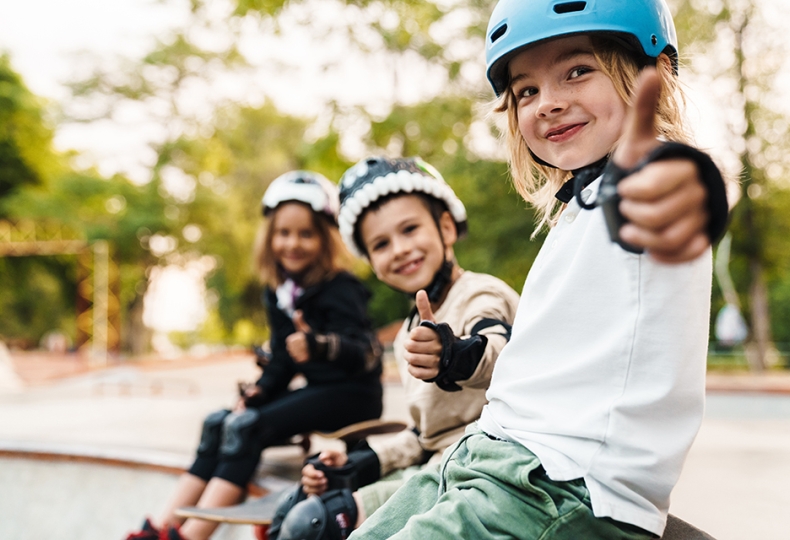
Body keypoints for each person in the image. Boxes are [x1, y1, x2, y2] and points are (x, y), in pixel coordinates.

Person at [348, 0, 729, 538]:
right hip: (486, 459)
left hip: (562, 484)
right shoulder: (576, 211)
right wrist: (457, 355)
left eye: (577, 71)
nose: (548, 103)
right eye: (526, 90)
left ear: (651, 76)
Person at [268, 157, 520, 540]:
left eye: (410, 229)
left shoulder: (480, 294)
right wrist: (358, 461)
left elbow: (498, 351)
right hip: (437, 463)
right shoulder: (410, 330)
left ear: (447, 228)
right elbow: (425, 435)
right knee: (303, 504)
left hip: (485, 467)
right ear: (372, 261)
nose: (399, 249)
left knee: (315, 524)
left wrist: (454, 354)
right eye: (381, 244)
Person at [125, 171, 384, 540]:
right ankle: (161, 529)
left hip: (353, 396)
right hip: (320, 393)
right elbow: (282, 360)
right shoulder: (279, 292)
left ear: (325, 239)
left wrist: (320, 346)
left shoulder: (341, 287)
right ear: (270, 237)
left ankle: (192, 536)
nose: (292, 243)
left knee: (248, 429)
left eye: (305, 234)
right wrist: (258, 393)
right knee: (222, 421)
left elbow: (366, 355)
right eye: (283, 233)